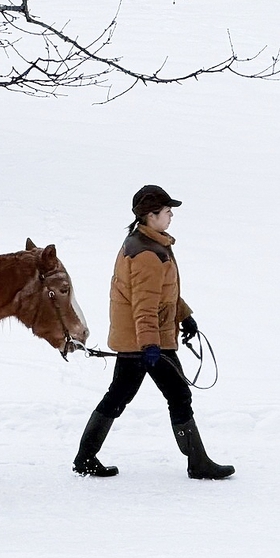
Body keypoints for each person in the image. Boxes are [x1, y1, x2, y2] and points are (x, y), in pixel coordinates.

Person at [71, 185, 234, 480]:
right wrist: (149, 346)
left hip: (142, 337)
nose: (171, 215)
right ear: (150, 215)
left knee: (119, 395)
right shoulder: (147, 254)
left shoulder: (145, 243)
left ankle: (84, 458)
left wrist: (185, 317)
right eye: (167, 211)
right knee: (179, 395)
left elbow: (162, 294)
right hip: (147, 339)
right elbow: (144, 306)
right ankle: (197, 463)